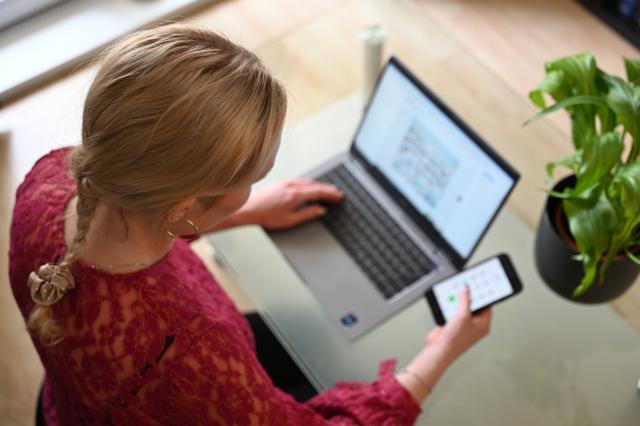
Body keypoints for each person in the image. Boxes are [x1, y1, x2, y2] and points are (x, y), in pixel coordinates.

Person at [9, 24, 491, 425]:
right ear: (183, 205)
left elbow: (142, 214)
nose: (260, 183)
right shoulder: (192, 346)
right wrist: (438, 356)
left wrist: (249, 207)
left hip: (69, 407)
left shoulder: (52, 182)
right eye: (254, 177)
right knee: (334, 354)